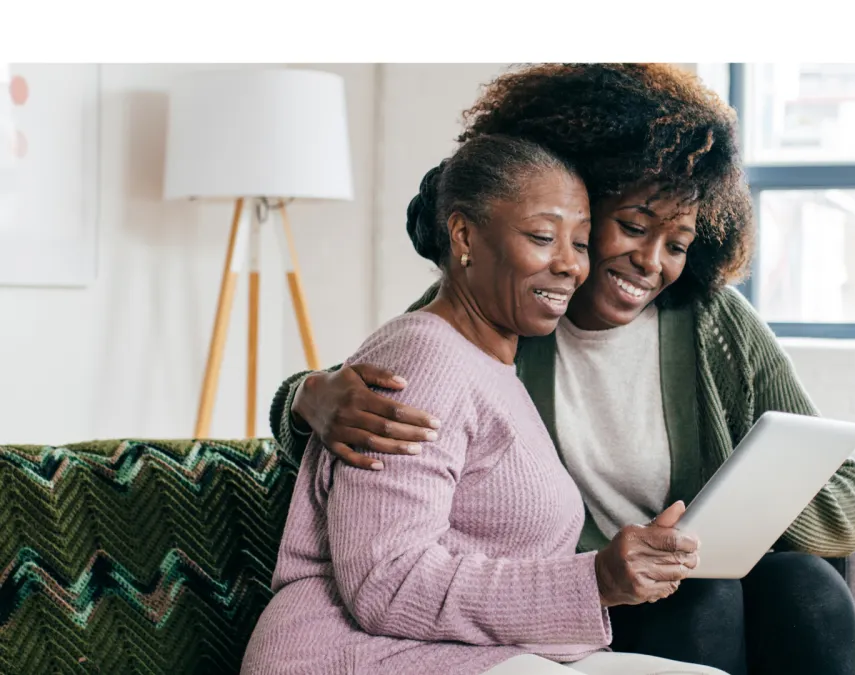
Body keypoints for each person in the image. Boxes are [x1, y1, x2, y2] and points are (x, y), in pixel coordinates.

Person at [267, 64, 855, 675]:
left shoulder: (714, 325)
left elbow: (847, 500)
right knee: (703, 601)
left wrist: (745, 496)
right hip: (573, 594)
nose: (650, 263)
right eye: (632, 227)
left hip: (670, 572)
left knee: (807, 589)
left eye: (678, 244)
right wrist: (308, 396)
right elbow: (396, 376)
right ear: (585, 199)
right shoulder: (504, 311)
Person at [241, 134, 725, 675]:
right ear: (465, 236)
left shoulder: (495, 368)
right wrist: (597, 581)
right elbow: (389, 580)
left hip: (475, 654)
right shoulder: (422, 357)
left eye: (582, 243)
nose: (571, 266)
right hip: (353, 654)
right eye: (543, 237)